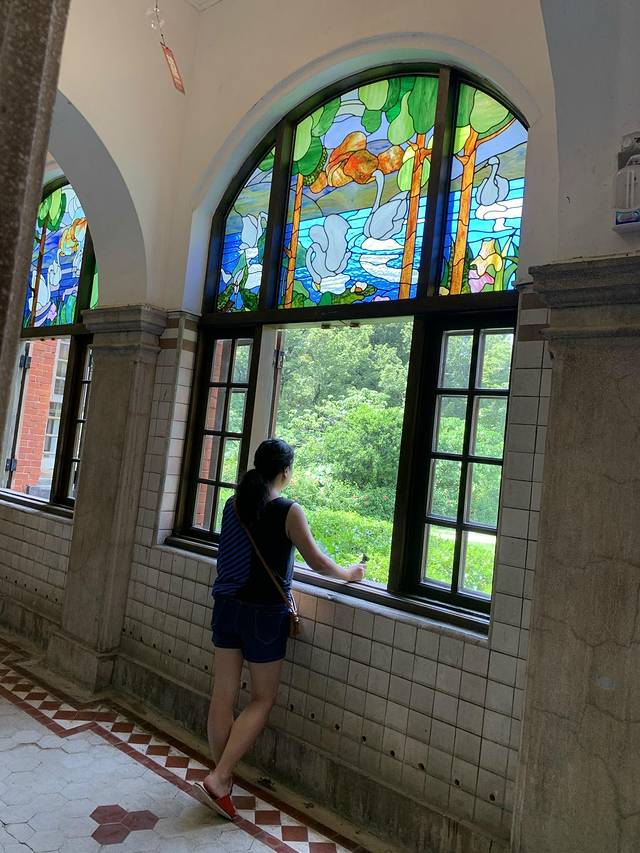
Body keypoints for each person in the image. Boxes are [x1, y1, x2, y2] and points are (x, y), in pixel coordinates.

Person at [193, 438, 366, 819]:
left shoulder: (233, 503)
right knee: (262, 698)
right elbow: (317, 562)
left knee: (223, 695)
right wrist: (350, 573)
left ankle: (221, 779)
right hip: (263, 614)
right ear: (285, 472)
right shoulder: (288, 510)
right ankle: (219, 778)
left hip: (226, 605)